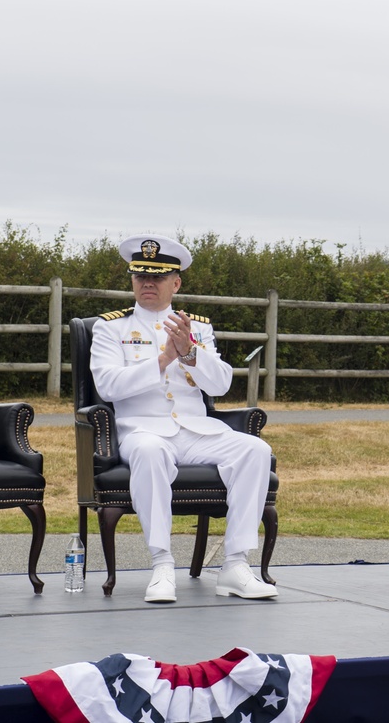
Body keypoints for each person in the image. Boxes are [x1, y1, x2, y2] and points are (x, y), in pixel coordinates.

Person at [90, 234, 277, 604]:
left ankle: (235, 566)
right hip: (142, 431)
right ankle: (162, 564)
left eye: (157, 277)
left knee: (255, 450)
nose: (147, 283)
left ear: (175, 283)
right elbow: (108, 385)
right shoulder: (111, 328)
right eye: (140, 275)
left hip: (195, 430)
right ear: (132, 280)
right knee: (150, 452)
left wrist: (190, 353)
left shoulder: (198, 328)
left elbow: (221, 385)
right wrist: (162, 360)